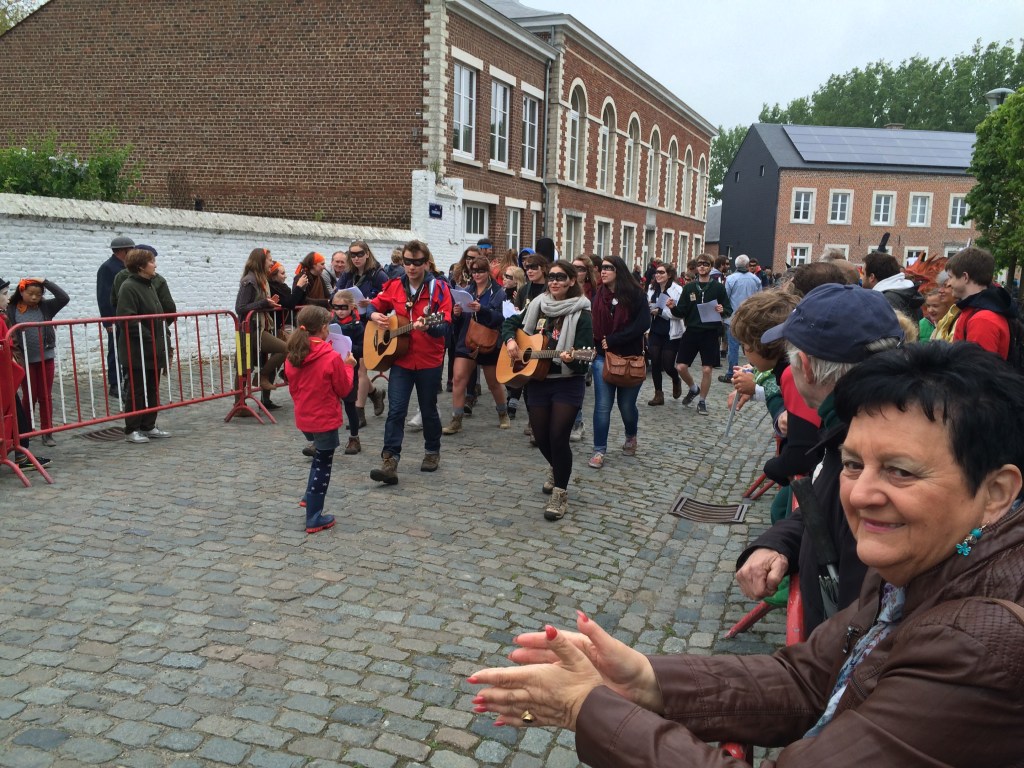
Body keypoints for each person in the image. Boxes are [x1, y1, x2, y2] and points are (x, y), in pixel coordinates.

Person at [470, 340, 1024, 767]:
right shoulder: (925, 560)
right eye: (854, 464)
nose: (860, 494)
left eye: (900, 471)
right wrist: (644, 679)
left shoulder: (982, 644)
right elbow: (807, 679)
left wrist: (586, 707)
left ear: (996, 492)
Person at [735, 284, 903, 632]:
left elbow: (861, 616)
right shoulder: (859, 424)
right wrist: (777, 544)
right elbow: (822, 511)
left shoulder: (864, 453)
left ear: (806, 369)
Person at [501, 260, 593, 520]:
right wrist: (510, 341)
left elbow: (583, 362)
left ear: (572, 281)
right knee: (541, 437)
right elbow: (510, 324)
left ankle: (560, 493)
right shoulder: (537, 305)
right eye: (551, 277)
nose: (554, 281)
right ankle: (556, 466)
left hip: (567, 382)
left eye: (560, 277)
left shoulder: (582, 314)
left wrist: (571, 359)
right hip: (538, 380)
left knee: (558, 436)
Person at [367, 239, 452, 484]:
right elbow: (372, 306)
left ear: (426, 263)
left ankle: (432, 451)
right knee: (396, 410)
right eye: (407, 262)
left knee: (428, 409)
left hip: (429, 359)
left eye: (417, 262)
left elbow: (445, 325)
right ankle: (389, 460)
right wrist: (374, 315)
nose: (412, 267)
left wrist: (429, 327)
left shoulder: (439, 289)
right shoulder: (394, 285)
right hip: (401, 359)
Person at [284, 305, 355, 534]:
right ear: (324, 328)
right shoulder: (331, 357)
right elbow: (344, 389)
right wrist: (349, 367)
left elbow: (293, 387)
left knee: (318, 458)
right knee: (323, 464)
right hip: (324, 418)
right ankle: (314, 516)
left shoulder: (293, 354)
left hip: (304, 415)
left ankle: (309, 496)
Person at [588, 255, 650, 469]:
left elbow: (643, 324)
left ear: (619, 271)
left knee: (626, 406)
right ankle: (599, 450)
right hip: (603, 358)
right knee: (602, 406)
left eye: (608, 268)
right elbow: (593, 324)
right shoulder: (599, 296)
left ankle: (631, 435)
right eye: (602, 268)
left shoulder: (636, 295)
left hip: (630, 358)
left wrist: (615, 339)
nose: (603, 271)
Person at [442, 255, 509, 434]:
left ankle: (503, 412)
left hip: (487, 340)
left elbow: (501, 318)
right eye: (474, 271)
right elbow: (457, 321)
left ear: (488, 272)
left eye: (481, 271)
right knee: (458, 379)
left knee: (493, 383)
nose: (477, 274)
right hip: (467, 340)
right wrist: (456, 313)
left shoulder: (498, 292)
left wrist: (482, 309)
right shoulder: (467, 291)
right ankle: (456, 419)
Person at [116, 248, 173, 444]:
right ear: (141, 266)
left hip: (153, 349)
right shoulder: (129, 287)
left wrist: (162, 339)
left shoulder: (149, 285)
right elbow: (128, 319)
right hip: (137, 350)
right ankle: (132, 428)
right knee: (136, 391)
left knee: (152, 389)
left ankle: (148, 425)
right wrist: (149, 339)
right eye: (151, 262)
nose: (155, 265)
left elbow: (159, 315)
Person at [6, 278, 70, 446]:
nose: (34, 297)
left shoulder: (46, 307)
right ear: (21, 292)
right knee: (29, 396)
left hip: (45, 358)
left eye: (39, 294)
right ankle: (26, 431)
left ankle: (47, 432)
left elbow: (64, 298)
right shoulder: (11, 309)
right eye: (30, 293)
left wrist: (45, 282)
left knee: (45, 396)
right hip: (25, 360)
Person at [669, 255, 731, 415]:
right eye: (700, 264)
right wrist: (672, 307)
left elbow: (728, 309)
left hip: (710, 333)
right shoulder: (689, 288)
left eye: (706, 264)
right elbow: (681, 311)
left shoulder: (718, 288)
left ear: (711, 267)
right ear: (696, 267)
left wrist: (722, 309)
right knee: (680, 367)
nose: (702, 266)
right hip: (691, 331)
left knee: (707, 370)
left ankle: (702, 401)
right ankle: (693, 388)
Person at [336, 241, 389, 423]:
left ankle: (359, 413)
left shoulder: (378, 274)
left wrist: (373, 302)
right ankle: (374, 393)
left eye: (359, 254)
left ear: (367, 254)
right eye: (352, 255)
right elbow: (335, 294)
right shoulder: (347, 274)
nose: (356, 258)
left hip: (369, 324)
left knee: (361, 369)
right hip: (349, 325)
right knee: (353, 366)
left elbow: (388, 298)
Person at [0, 277, 50, 470]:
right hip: (4, 377)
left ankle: (21, 454)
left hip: (7, 376)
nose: (7, 299)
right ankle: (20, 454)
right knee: (14, 415)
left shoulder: (2, 318)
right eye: (4, 295)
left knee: (16, 415)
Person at [235, 248, 287, 411]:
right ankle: (239, 405)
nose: (271, 263)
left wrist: (269, 303)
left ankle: (262, 377)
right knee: (243, 366)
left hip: (260, 327)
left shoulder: (261, 279)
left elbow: (256, 304)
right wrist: (264, 303)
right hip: (249, 330)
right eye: (269, 259)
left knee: (284, 349)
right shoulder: (249, 281)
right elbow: (240, 307)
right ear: (261, 261)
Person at [947, 246, 1016, 360]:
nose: (948, 283)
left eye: (951, 277)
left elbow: (977, 368)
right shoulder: (975, 311)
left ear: (965, 277)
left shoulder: (982, 320)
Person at [328, 290, 364, 454]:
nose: (340, 311)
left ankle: (354, 438)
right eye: (336, 307)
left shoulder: (357, 325)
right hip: (331, 365)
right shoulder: (329, 322)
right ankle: (323, 438)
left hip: (349, 366)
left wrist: (347, 346)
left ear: (351, 306)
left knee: (350, 404)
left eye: (343, 307)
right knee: (329, 403)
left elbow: (362, 349)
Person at [97, 235, 134, 395]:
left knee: (128, 350)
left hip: (127, 316)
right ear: (122, 251)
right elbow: (104, 296)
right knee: (115, 351)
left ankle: (127, 380)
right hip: (115, 317)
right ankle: (115, 384)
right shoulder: (108, 268)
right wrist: (108, 321)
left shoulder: (128, 267)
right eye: (130, 250)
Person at [719, 254, 761, 384]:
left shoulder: (731, 279)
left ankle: (732, 372)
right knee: (750, 346)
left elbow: (726, 297)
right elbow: (760, 298)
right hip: (750, 317)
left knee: (733, 347)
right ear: (747, 265)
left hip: (733, 317)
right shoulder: (755, 279)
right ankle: (753, 371)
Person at [644, 263, 682, 405]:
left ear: (669, 275)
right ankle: (658, 394)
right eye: (657, 272)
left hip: (671, 332)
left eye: (661, 272)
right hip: (655, 330)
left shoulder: (677, 290)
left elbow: (679, 314)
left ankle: (675, 379)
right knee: (655, 362)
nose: (658, 275)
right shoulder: (651, 288)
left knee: (668, 365)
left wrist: (660, 312)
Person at [862, 251, 924, 320]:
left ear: (871, 277)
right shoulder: (907, 293)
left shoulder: (883, 302)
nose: (861, 277)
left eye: (863, 273)